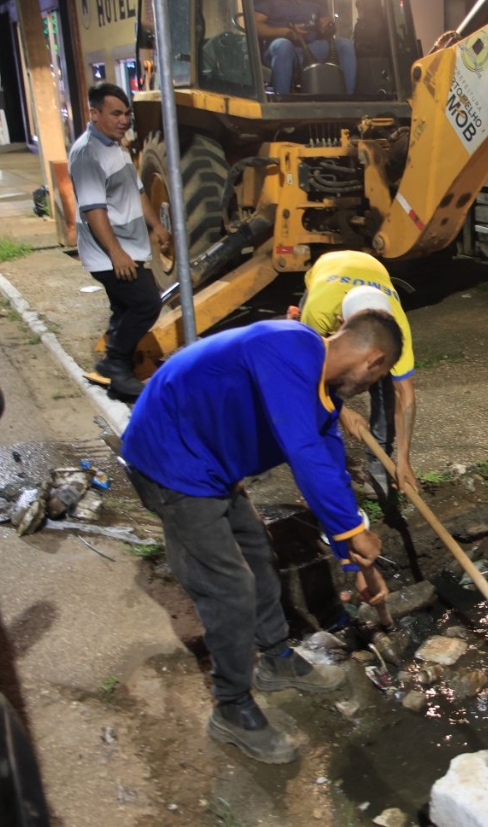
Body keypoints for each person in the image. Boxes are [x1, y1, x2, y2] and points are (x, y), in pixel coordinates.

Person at [119, 310, 403, 764]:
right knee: (229, 589)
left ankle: (275, 658)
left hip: (212, 461)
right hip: (170, 461)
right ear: (374, 361)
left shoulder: (321, 393)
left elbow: (330, 470)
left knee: (257, 552)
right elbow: (303, 452)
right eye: (377, 379)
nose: (368, 388)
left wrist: (354, 556)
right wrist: (352, 533)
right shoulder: (287, 347)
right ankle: (231, 707)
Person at [68, 82, 169, 399]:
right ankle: (115, 362)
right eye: (115, 114)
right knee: (147, 303)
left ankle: (114, 368)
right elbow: (93, 210)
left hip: (129, 247)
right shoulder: (87, 154)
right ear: (95, 114)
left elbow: (137, 192)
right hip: (109, 253)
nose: (124, 120)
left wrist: (157, 226)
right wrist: (117, 254)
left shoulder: (116, 146)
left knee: (124, 308)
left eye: (126, 114)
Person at [295, 251, 417, 497]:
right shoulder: (318, 314)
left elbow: (405, 395)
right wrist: (340, 411)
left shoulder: (398, 328)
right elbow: (305, 372)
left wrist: (404, 458)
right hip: (327, 271)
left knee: (385, 385)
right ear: (340, 323)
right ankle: (323, 469)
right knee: (314, 393)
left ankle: (380, 467)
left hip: (371, 268)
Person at [252, 0, 357, 94]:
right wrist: (286, 32)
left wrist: (326, 26)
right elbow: (254, 25)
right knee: (283, 46)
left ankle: (349, 98)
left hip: (310, 48)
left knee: (345, 45)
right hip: (279, 48)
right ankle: (281, 98)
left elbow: (324, 23)